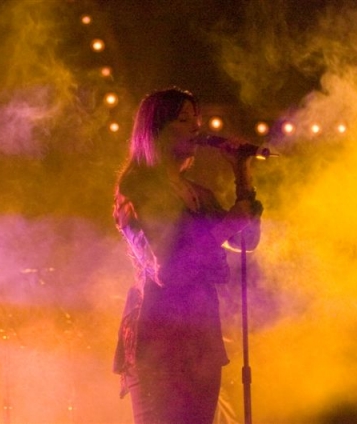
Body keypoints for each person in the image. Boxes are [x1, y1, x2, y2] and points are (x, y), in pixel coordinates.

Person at [112, 87, 262, 424]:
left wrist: (243, 176)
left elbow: (246, 240)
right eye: (183, 120)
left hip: (201, 338)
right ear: (156, 131)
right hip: (159, 341)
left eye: (196, 119)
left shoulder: (198, 193)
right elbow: (166, 270)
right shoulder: (138, 189)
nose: (196, 128)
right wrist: (227, 225)